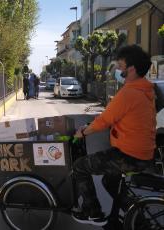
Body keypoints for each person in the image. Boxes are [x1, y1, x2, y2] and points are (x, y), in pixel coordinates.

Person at [72, 45, 156, 226]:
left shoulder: (128, 92)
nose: (117, 69)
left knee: (80, 166)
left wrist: (83, 132)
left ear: (131, 69)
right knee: (110, 182)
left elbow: (104, 121)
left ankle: (92, 212)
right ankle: (139, 220)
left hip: (128, 155)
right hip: (144, 153)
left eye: (120, 65)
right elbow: (118, 117)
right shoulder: (146, 91)